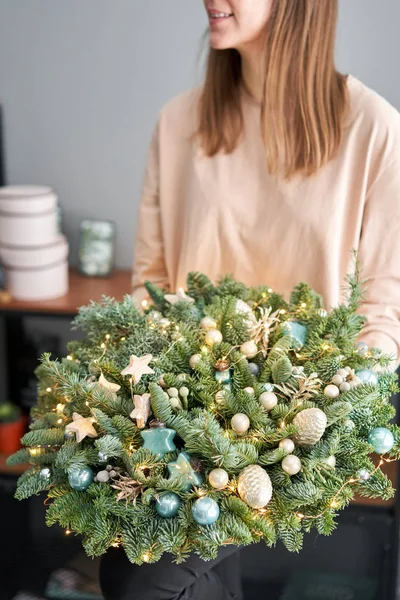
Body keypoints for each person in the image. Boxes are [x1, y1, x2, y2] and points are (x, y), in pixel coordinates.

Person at [100, 1, 400, 599]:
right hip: (181, 417)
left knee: (139, 582)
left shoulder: (371, 128)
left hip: (301, 433)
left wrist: (328, 427)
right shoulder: (179, 122)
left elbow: (381, 311)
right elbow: (152, 281)